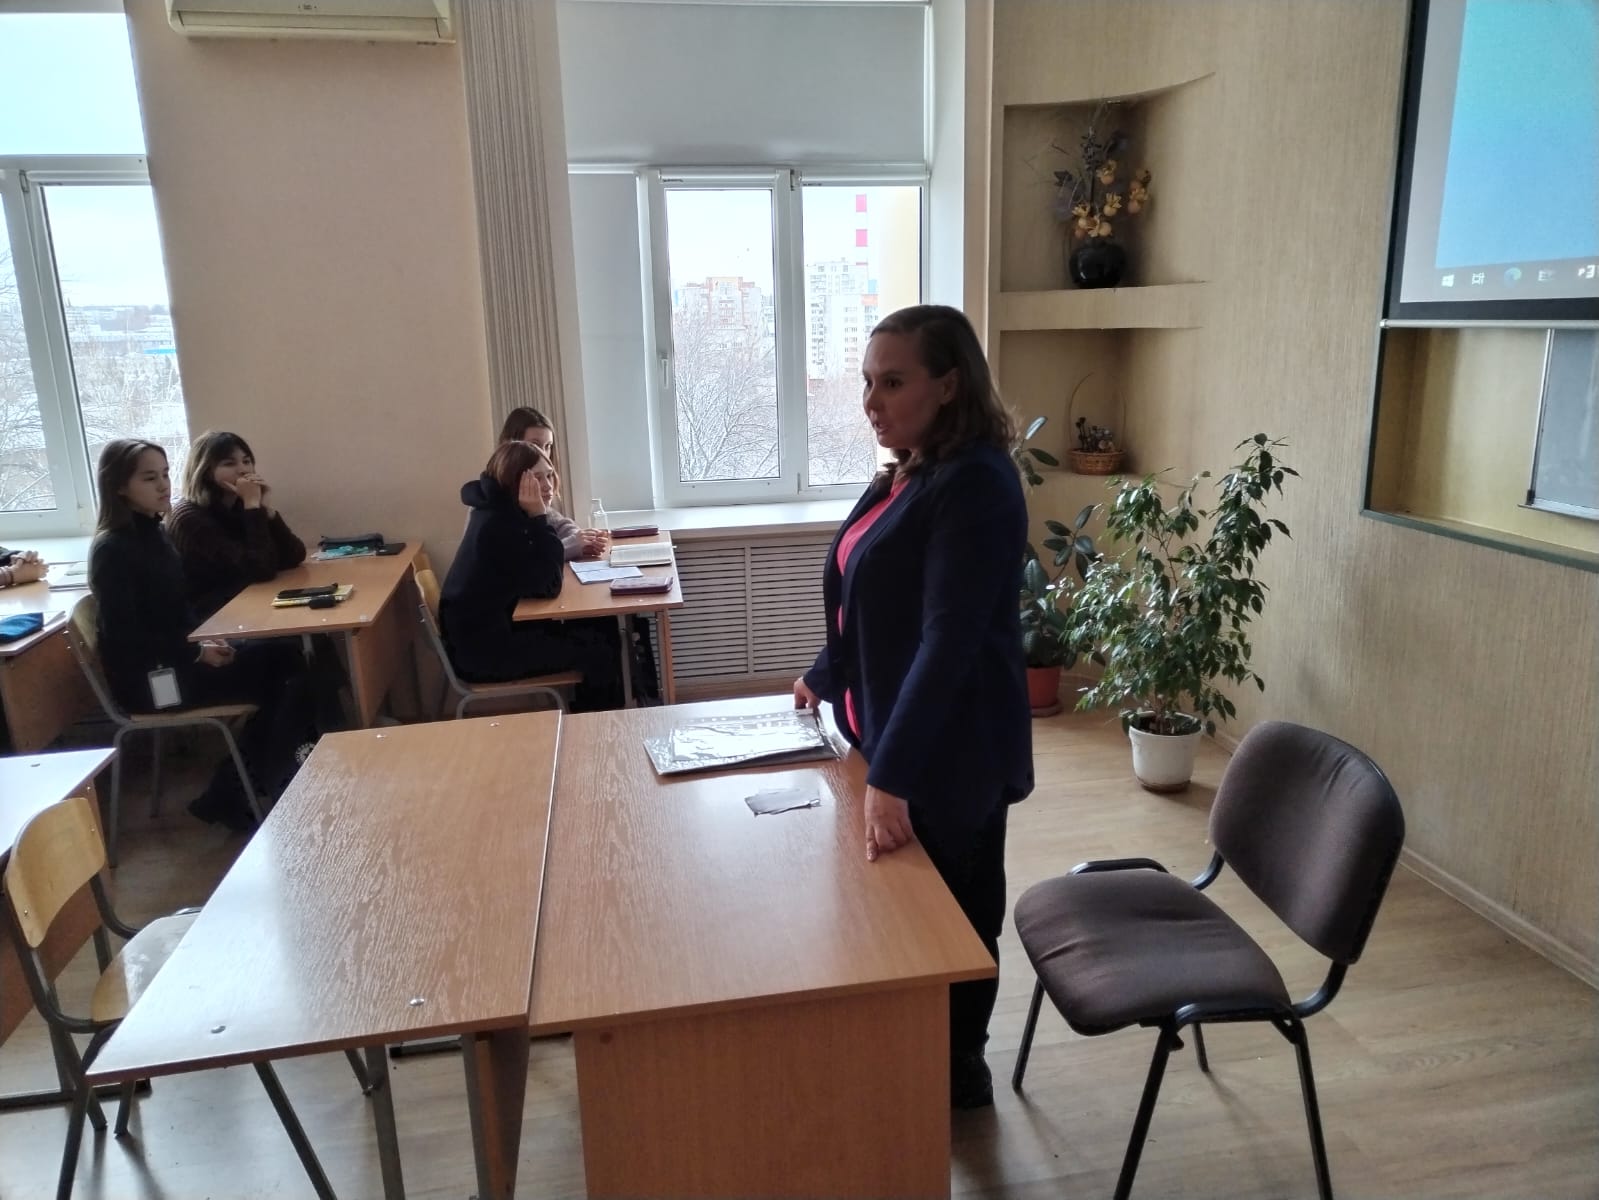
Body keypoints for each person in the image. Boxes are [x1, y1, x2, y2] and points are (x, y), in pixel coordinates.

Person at [793, 304, 1032, 1110]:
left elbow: (948, 639)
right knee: (901, 915)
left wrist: (890, 776)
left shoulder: (976, 483)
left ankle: (960, 1068)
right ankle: (907, 1052)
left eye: (892, 382)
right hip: (889, 731)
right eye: (867, 382)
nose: (871, 401)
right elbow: (867, 592)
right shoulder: (911, 468)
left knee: (957, 918)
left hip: (950, 750)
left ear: (949, 384)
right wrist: (824, 674)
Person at [88, 439, 318, 831]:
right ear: (120, 487)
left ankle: (238, 789)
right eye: (149, 478)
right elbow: (127, 640)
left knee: (289, 660)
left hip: (178, 660)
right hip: (154, 683)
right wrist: (193, 653)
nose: (164, 485)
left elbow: (176, 615)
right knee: (291, 677)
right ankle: (260, 787)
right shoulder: (113, 549)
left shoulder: (155, 532)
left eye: (164, 474)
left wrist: (206, 642)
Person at [440, 440, 625, 712]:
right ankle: (595, 727)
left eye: (549, 475)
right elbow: (549, 585)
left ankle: (603, 713)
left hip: (494, 632)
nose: (547, 486)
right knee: (599, 648)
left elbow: (538, 572)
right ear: (516, 482)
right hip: (483, 652)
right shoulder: (499, 524)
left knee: (603, 624)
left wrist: (541, 520)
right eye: (537, 478)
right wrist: (540, 516)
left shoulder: (500, 509)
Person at [166, 430, 307, 620]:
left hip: (248, 601)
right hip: (212, 616)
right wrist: (253, 508)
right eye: (229, 463)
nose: (243, 470)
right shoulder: (189, 517)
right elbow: (260, 570)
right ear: (205, 471)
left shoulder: (240, 504)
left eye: (246, 461)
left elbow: (294, 555)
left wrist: (266, 511)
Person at [497, 406, 608, 561]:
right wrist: (573, 544)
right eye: (535, 445)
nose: (543, 453)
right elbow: (525, 561)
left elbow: (559, 524)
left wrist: (584, 539)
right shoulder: (492, 501)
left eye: (548, 446)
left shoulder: (536, 485)